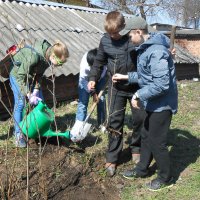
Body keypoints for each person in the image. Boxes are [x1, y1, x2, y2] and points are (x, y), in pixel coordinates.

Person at [112, 17, 178, 191]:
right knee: (146, 136)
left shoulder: (156, 52)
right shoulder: (146, 49)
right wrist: (127, 77)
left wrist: (138, 94)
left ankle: (166, 177)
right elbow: (147, 76)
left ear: (138, 32)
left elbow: (161, 84)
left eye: (129, 36)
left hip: (162, 105)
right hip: (152, 102)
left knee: (157, 142)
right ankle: (142, 169)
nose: (128, 39)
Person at [88, 11, 146, 177]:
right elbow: (98, 62)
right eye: (109, 32)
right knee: (114, 122)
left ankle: (136, 148)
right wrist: (93, 78)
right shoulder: (105, 40)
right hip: (116, 88)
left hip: (136, 87)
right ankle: (112, 158)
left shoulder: (132, 39)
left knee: (140, 119)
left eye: (116, 32)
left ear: (124, 27)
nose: (112, 36)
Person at [9, 39, 69, 147]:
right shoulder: (34, 57)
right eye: (59, 63)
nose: (58, 66)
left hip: (31, 77)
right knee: (20, 104)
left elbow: (39, 75)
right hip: (17, 75)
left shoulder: (47, 57)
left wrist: (36, 90)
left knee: (40, 103)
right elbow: (20, 77)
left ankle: (39, 129)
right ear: (53, 56)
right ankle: (19, 135)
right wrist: (28, 94)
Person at [72, 48, 107, 133]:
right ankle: (79, 126)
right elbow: (84, 81)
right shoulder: (85, 66)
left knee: (101, 100)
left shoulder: (104, 60)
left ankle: (102, 124)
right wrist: (94, 93)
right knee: (83, 103)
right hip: (86, 80)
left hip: (101, 78)